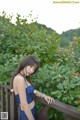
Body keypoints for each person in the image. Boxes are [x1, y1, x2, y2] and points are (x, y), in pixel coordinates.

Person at [10, 55, 55, 120]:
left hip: (32, 111)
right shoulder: (19, 79)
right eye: (30, 67)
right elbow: (24, 104)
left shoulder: (24, 78)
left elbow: (34, 91)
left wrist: (44, 96)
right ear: (24, 64)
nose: (31, 71)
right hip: (27, 115)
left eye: (34, 69)